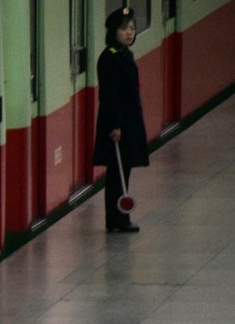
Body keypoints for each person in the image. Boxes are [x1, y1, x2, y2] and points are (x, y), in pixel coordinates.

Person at [93, 6, 149, 233]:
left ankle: (119, 217)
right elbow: (109, 94)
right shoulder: (109, 58)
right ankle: (117, 218)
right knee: (117, 173)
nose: (130, 33)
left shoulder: (125, 54)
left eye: (132, 29)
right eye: (124, 29)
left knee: (124, 169)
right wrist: (115, 124)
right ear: (114, 32)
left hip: (129, 122)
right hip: (117, 125)